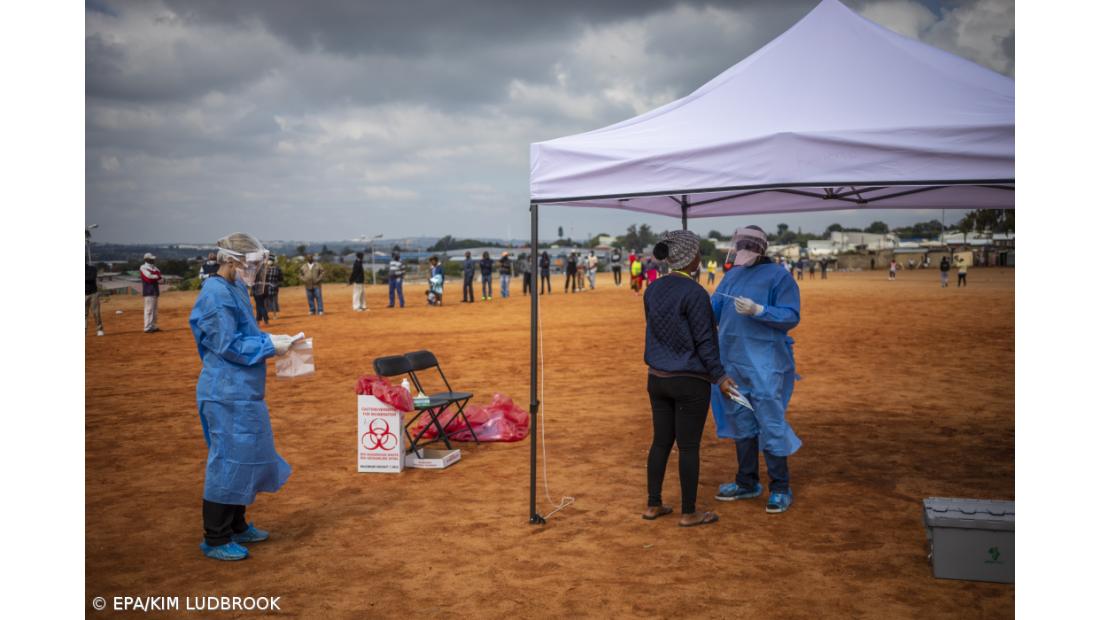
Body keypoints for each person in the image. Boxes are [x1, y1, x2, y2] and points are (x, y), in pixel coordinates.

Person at [189, 232, 297, 561]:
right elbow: (227, 344)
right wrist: (269, 346)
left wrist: (272, 339)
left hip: (243, 390)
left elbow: (246, 333)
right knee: (227, 460)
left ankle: (237, 524)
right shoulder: (215, 294)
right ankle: (216, 537)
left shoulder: (235, 287)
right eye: (250, 263)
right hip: (225, 391)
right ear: (232, 261)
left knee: (246, 456)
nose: (254, 269)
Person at [643, 230, 734, 527]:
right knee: (689, 446)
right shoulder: (695, 293)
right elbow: (705, 341)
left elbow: (655, 329)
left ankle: (653, 505)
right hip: (689, 380)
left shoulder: (652, 289)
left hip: (657, 378)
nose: (700, 257)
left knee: (660, 442)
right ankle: (689, 512)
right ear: (690, 257)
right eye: (697, 252)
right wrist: (720, 376)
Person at [710, 225, 801, 514]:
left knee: (770, 421)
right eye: (739, 245)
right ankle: (747, 481)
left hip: (765, 365)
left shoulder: (779, 277)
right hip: (732, 365)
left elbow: (791, 315)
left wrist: (760, 310)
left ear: (759, 248)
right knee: (741, 421)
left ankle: (780, 487)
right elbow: (713, 310)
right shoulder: (732, 275)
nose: (741, 250)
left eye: (746, 245)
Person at [140, 252, 163, 333]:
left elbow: (160, 278)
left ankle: (153, 326)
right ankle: (147, 327)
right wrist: (156, 276)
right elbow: (149, 278)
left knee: (154, 310)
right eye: (151, 259)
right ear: (147, 259)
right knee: (149, 309)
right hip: (148, 291)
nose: (153, 260)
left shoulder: (155, 268)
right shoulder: (143, 267)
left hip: (155, 291)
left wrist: (156, 277)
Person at [86, 261, 104, 336]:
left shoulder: (92, 269)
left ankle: (99, 329)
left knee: (96, 313)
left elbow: (91, 278)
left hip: (93, 294)